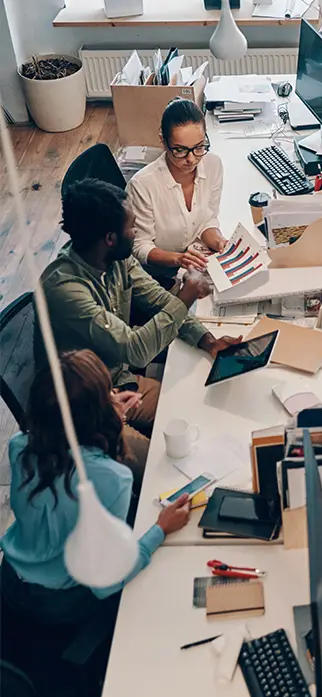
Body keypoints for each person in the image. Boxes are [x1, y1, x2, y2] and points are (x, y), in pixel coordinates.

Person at [38, 178, 239, 476]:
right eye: (132, 227)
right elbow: (135, 350)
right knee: (168, 468)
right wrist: (185, 295)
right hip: (85, 414)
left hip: (120, 382)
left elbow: (159, 301)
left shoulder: (115, 258)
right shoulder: (66, 290)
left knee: (197, 416)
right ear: (109, 237)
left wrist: (206, 340)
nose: (135, 234)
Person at [0, 350, 191, 629]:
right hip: (59, 602)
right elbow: (107, 583)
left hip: (10, 577)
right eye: (108, 392)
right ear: (97, 413)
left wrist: (104, 414)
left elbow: (69, 468)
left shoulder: (19, 445)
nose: (115, 394)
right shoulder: (112, 478)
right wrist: (160, 529)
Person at [128, 98, 227, 289]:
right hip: (157, 276)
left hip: (195, 259)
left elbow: (207, 219)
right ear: (163, 142)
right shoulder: (143, 185)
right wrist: (178, 259)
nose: (191, 159)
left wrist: (218, 241)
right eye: (180, 150)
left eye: (199, 147)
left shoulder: (213, 165)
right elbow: (140, 246)